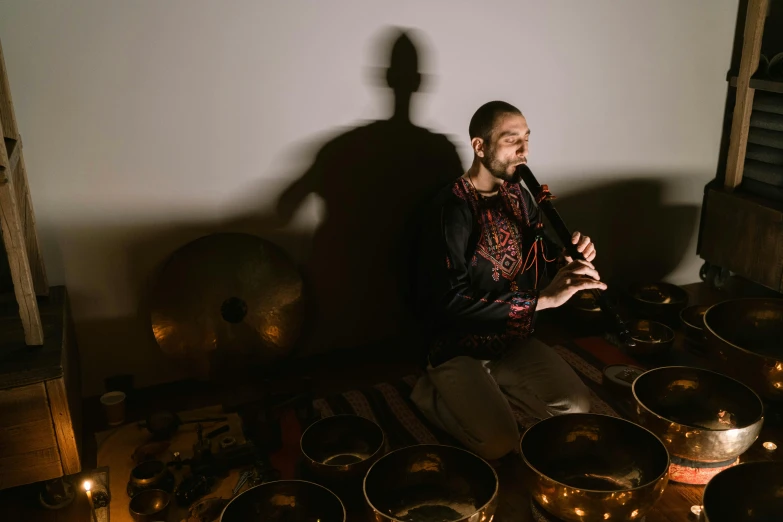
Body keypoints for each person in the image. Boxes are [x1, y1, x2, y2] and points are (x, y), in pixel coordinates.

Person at [410, 100, 607, 461]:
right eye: (511, 140)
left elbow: (536, 252)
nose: (524, 152)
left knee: (577, 409)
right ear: (480, 146)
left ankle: (492, 389)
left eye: (527, 139)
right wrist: (544, 300)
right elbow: (449, 301)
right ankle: (432, 392)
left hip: (512, 341)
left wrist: (566, 259)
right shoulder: (450, 209)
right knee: (499, 443)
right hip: (458, 349)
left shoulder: (519, 194)